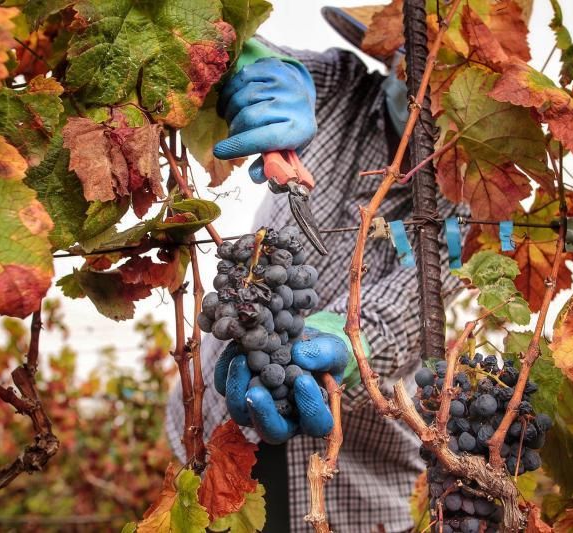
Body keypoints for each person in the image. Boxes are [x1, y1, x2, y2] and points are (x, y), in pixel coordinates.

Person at [166, 6, 467, 531]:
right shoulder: (335, 84)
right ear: (393, 55)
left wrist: (355, 341)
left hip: (354, 478)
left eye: (449, 77)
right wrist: (255, 63)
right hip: (210, 429)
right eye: (411, 66)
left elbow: (422, 295)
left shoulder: (475, 194)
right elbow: (214, 47)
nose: (424, 90)